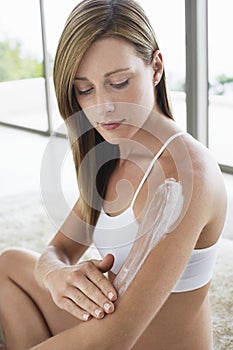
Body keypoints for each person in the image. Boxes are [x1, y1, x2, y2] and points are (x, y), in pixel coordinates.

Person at [0, 0, 227, 349]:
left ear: (156, 67)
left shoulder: (185, 176)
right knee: (9, 267)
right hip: (112, 329)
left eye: (119, 82)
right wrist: (57, 275)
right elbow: (58, 249)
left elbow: (114, 338)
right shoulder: (114, 155)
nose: (103, 106)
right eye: (85, 89)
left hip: (132, 340)